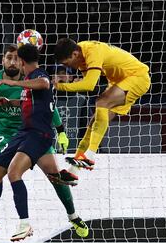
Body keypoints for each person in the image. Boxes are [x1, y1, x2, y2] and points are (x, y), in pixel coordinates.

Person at [0, 44, 87, 243]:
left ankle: (72, 217)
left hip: (33, 133)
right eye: (8, 58)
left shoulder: (32, 79)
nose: (12, 62)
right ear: (3, 60)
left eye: (16, 58)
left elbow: (48, 101)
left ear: (22, 62)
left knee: (51, 176)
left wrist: (61, 130)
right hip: (5, 133)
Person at [53, 38, 151, 172]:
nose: (69, 67)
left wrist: (58, 86)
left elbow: (89, 85)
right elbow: (89, 84)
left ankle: (90, 156)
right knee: (94, 122)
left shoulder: (92, 51)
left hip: (136, 77)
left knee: (101, 102)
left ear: (74, 54)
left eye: (67, 63)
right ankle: (73, 171)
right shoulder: (81, 56)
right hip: (119, 82)